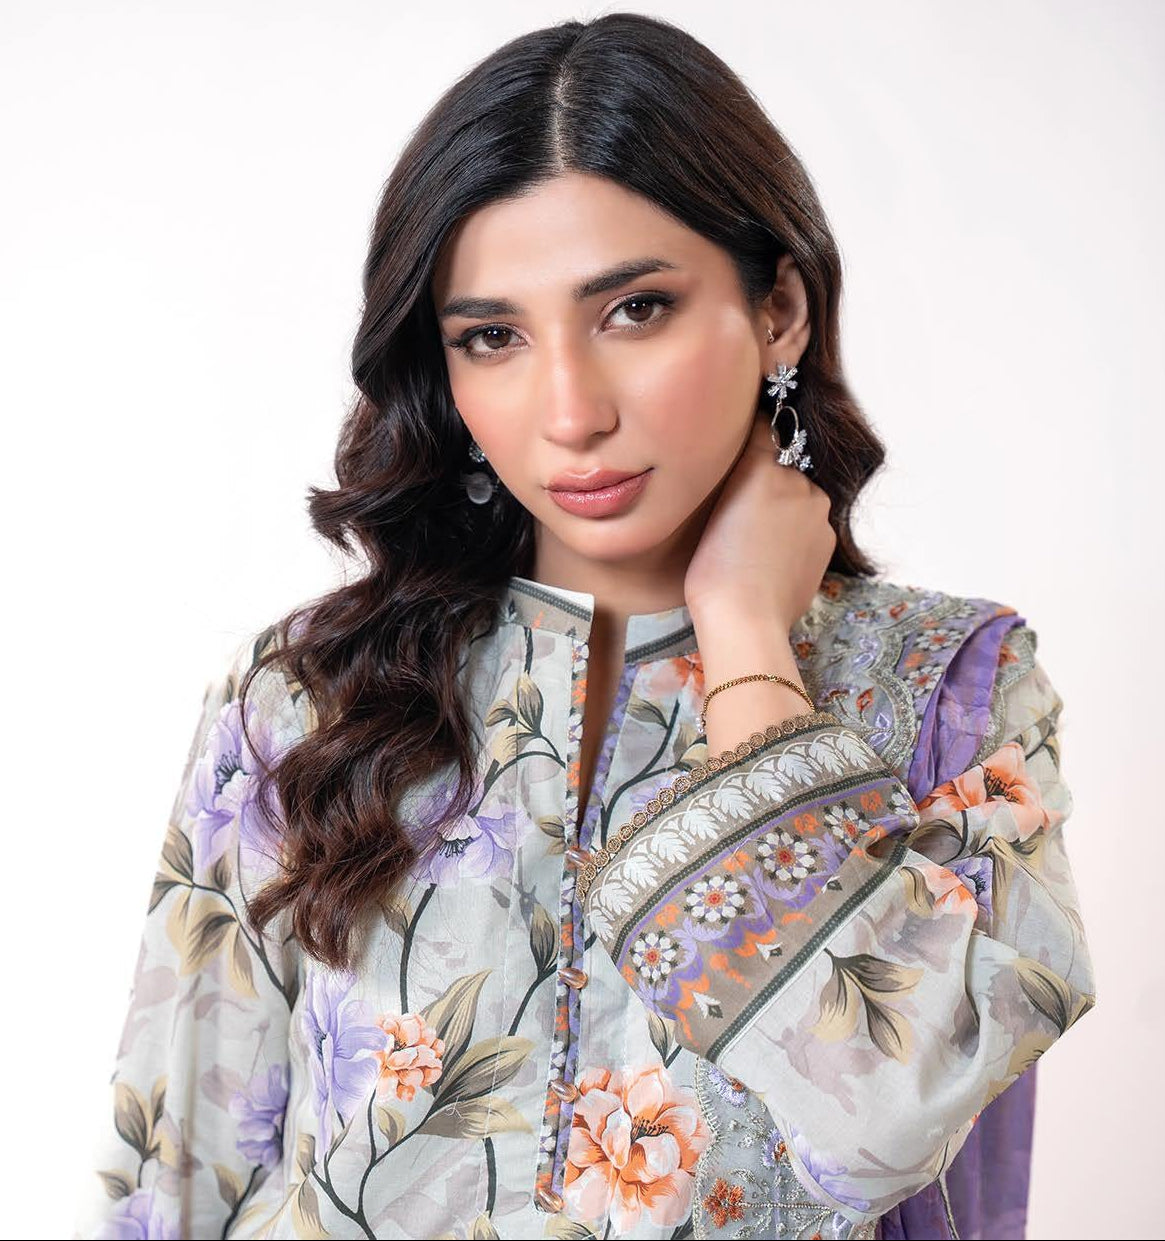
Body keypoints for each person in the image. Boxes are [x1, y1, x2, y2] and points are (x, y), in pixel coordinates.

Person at [79, 12, 1094, 1240]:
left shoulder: (951, 690)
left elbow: (890, 1113)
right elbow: (167, 1185)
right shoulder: (306, 699)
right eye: (492, 337)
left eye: (634, 311)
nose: (567, 411)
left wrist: (745, 642)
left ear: (777, 309)